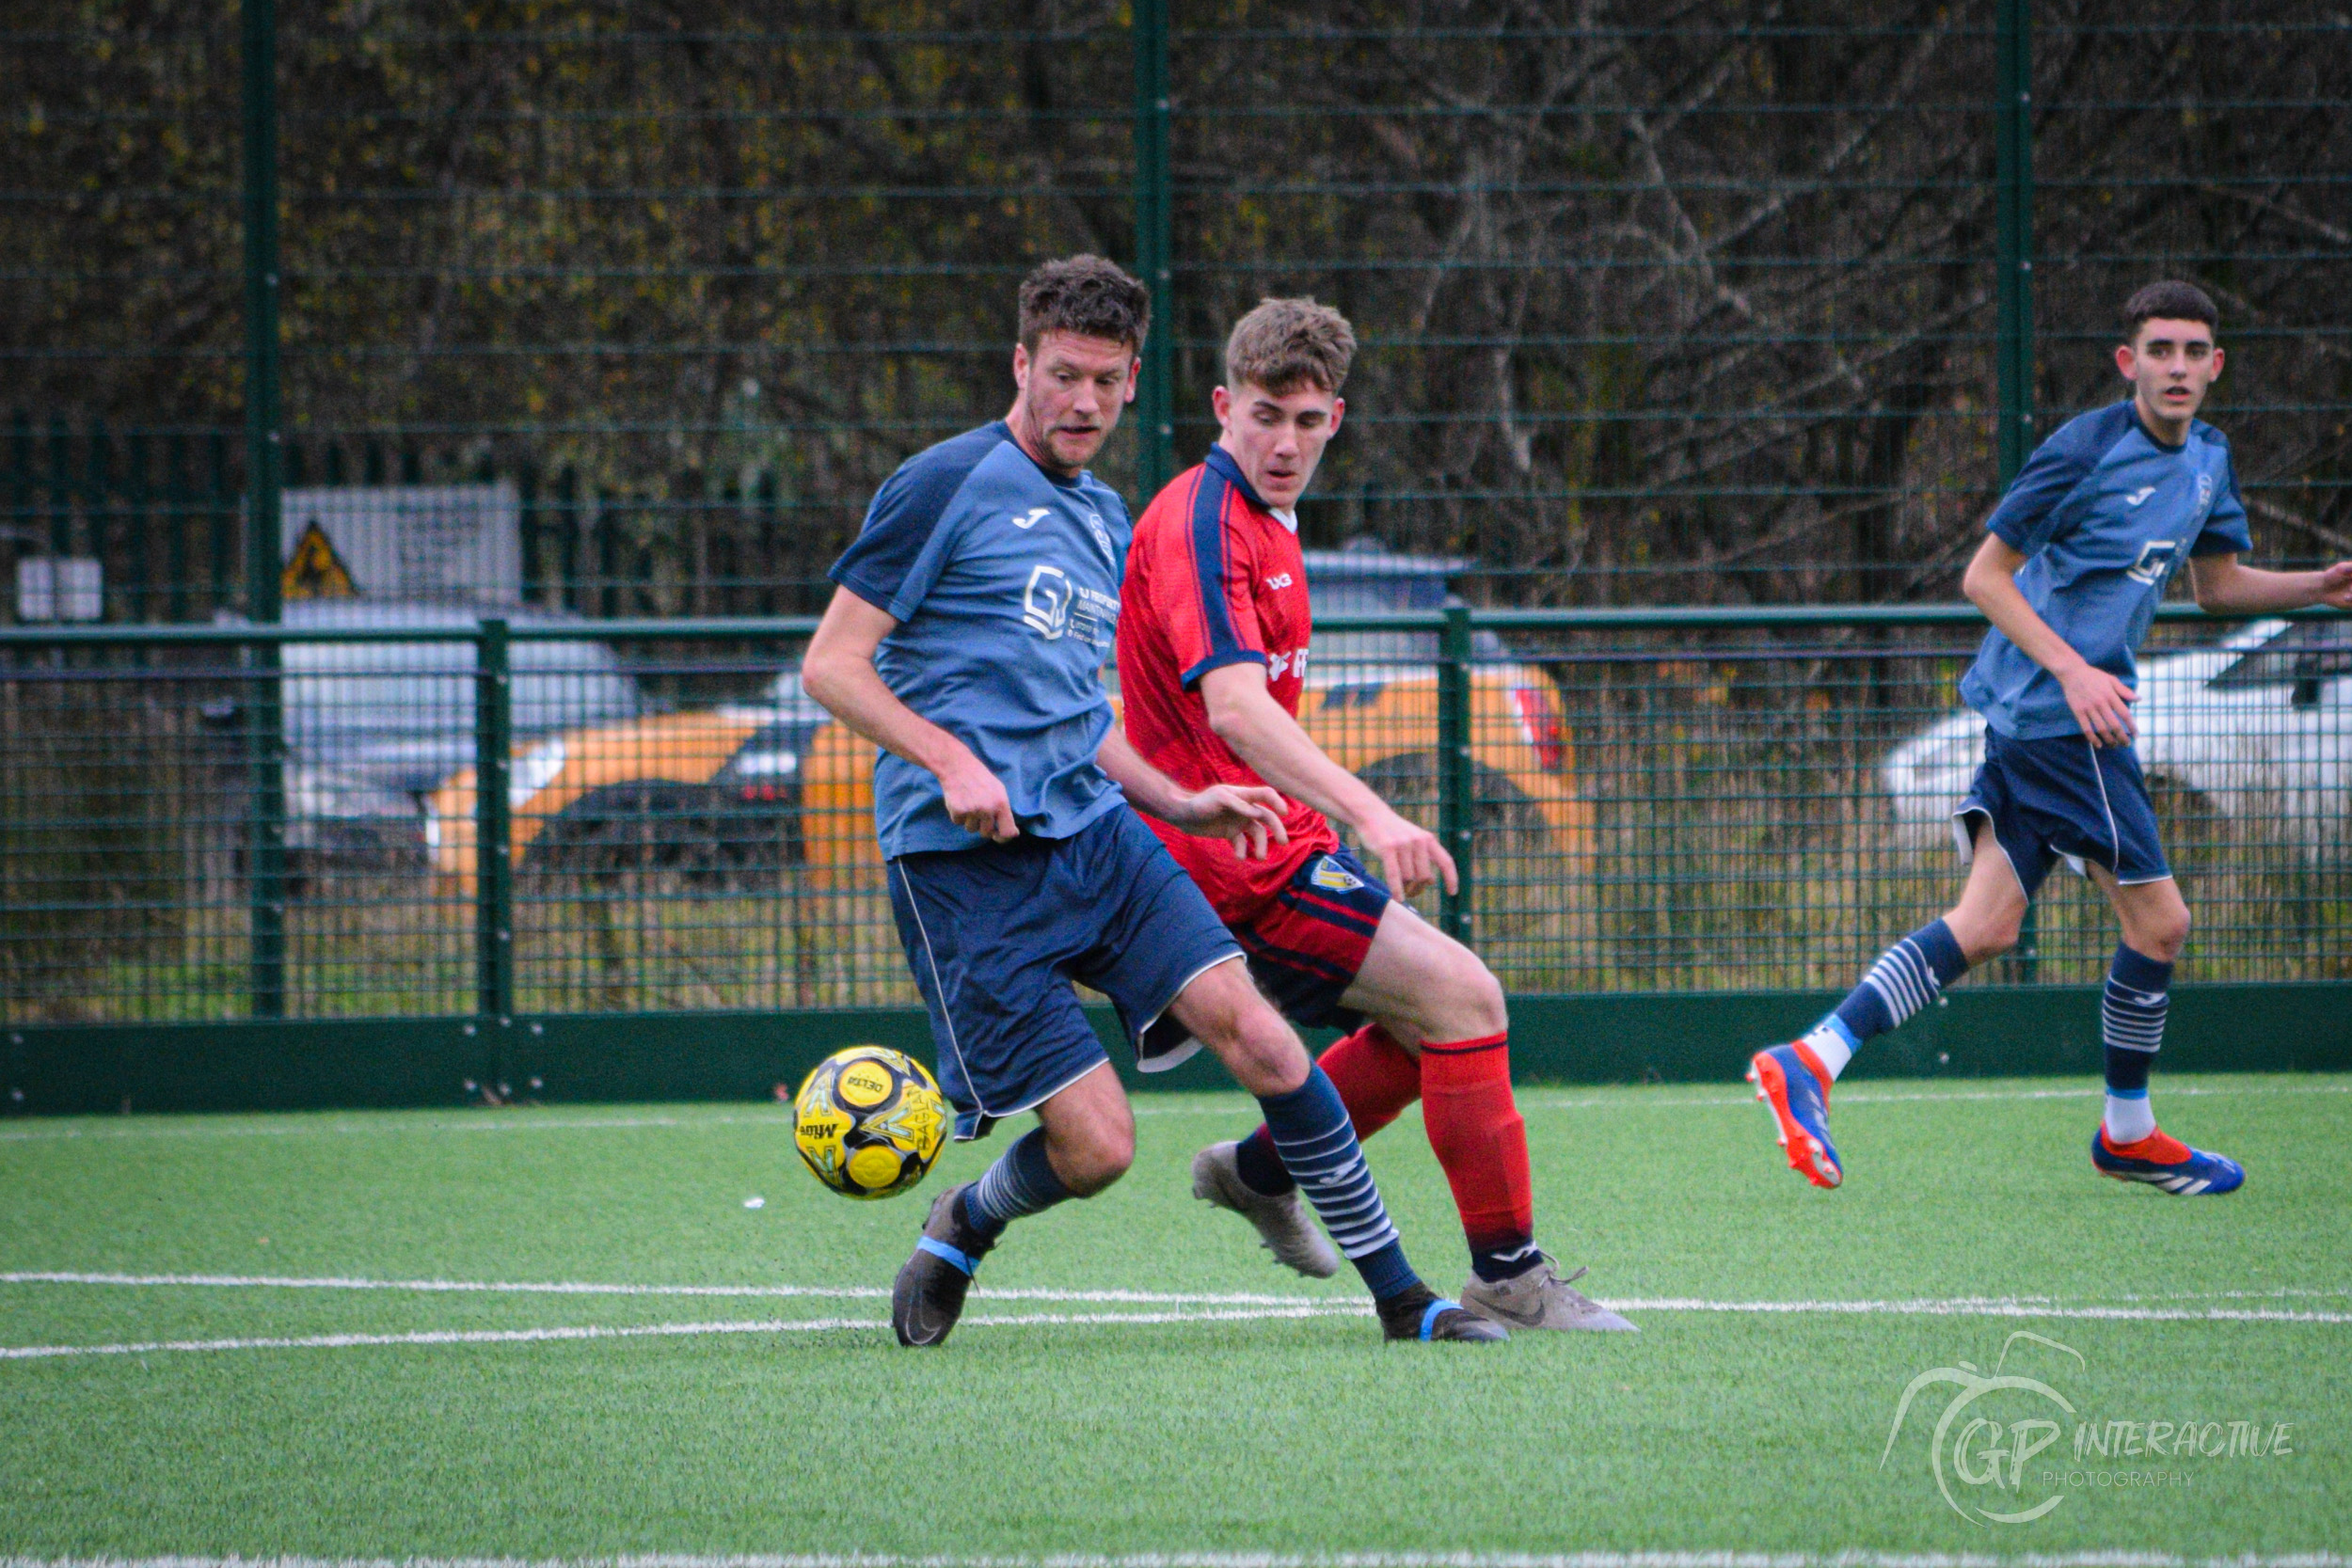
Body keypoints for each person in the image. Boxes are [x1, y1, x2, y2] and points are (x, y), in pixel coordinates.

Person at [802, 257, 1505, 1347]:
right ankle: (961, 1226)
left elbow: (1079, 713)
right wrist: (948, 758)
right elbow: (834, 665)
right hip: (961, 864)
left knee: (1266, 1044)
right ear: (1021, 364)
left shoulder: (1100, 516)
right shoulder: (946, 481)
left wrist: (1181, 800)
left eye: (1106, 380)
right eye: (1063, 375)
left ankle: (1405, 1300)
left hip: (1098, 834)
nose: (1082, 402)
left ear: (1133, 382)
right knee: (1097, 1148)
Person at [1749, 280, 2352, 1195]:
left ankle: (1813, 1055)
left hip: (2042, 714)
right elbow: (1984, 577)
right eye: (2159, 350)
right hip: (2059, 719)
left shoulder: (2209, 459)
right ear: (2128, 362)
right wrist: (2073, 671)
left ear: (2215, 365)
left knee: (1986, 923)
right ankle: (2126, 1130)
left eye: (2193, 350)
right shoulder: (2084, 448)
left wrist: (2316, 585)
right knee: (2161, 921)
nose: (2177, 366)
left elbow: (2215, 587)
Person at [1115, 296, 1632, 1331]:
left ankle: (1260, 1169)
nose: (1285, 442)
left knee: (1427, 1032)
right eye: (1265, 414)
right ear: (1223, 406)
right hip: (1226, 860)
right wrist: (1370, 811)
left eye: (1308, 422)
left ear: (1336, 420)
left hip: (1270, 843)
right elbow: (1232, 706)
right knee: (1467, 998)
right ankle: (1508, 1273)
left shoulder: (1270, 523)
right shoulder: (1201, 523)